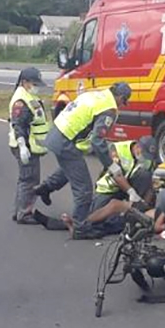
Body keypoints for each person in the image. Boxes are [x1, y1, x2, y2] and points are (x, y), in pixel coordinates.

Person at [32, 83, 132, 223]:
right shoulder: (109, 109)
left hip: (57, 132)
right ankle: (80, 225)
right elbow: (98, 141)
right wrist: (111, 166)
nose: (122, 106)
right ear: (120, 97)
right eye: (123, 102)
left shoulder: (95, 94)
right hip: (65, 141)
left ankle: (46, 187)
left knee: (72, 168)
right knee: (84, 188)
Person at [61, 136, 158, 240]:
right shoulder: (117, 149)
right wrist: (131, 192)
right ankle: (80, 226)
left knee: (115, 213)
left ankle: (80, 227)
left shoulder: (148, 160)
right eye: (144, 154)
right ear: (138, 147)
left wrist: (143, 203)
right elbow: (116, 175)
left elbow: (150, 185)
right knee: (98, 213)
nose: (145, 158)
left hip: (135, 194)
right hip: (110, 188)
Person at [8, 67, 50, 224]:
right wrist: (23, 146)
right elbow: (18, 125)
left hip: (30, 145)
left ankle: (19, 210)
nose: (36, 86)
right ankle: (24, 213)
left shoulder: (28, 95)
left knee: (25, 179)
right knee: (29, 180)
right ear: (24, 82)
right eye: (34, 83)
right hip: (26, 146)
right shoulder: (21, 101)